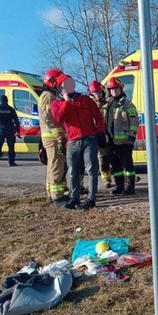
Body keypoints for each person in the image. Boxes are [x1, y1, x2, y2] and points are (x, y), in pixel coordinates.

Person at [51, 73, 105, 210]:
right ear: (59, 88)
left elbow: (98, 117)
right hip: (72, 141)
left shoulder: (86, 100)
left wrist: (100, 132)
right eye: (64, 85)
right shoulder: (57, 104)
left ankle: (91, 198)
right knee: (73, 170)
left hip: (90, 139)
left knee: (92, 168)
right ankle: (74, 197)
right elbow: (58, 118)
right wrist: (67, 102)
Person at [39, 69, 69, 205]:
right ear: (52, 82)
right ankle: (57, 196)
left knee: (53, 165)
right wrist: (60, 136)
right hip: (53, 138)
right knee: (57, 165)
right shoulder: (48, 97)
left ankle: (53, 193)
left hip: (51, 138)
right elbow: (50, 118)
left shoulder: (48, 96)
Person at [105, 77, 139, 195]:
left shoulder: (128, 104)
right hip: (111, 141)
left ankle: (130, 187)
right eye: (112, 89)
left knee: (127, 165)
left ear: (121, 89)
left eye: (116, 89)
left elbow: (134, 121)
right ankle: (119, 186)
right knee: (116, 166)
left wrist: (131, 137)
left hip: (125, 142)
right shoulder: (109, 104)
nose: (114, 91)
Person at [88, 80, 113, 188]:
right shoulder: (88, 105)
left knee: (104, 158)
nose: (97, 95)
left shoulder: (108, 104)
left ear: (102, 92)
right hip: (91, 136)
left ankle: (107, 180)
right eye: (95, 93)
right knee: (90, 161)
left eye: (99, 92)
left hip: (104, 134)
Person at [0, 94, 20, 167]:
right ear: (7, 100)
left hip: (0, 130)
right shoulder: (10, 109)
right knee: (11, 147)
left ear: (0, 100)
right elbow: (16, 120)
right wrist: (17, 131)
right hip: (10, 130)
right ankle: (11, 162)